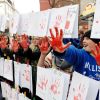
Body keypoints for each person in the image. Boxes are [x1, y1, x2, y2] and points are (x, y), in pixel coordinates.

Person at [48, 27, 100, 99]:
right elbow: (73, 51)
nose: (84, 41)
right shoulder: (82, 54)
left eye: (87, 39)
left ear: (97, 42)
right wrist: (62, 50)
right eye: (83, 39)